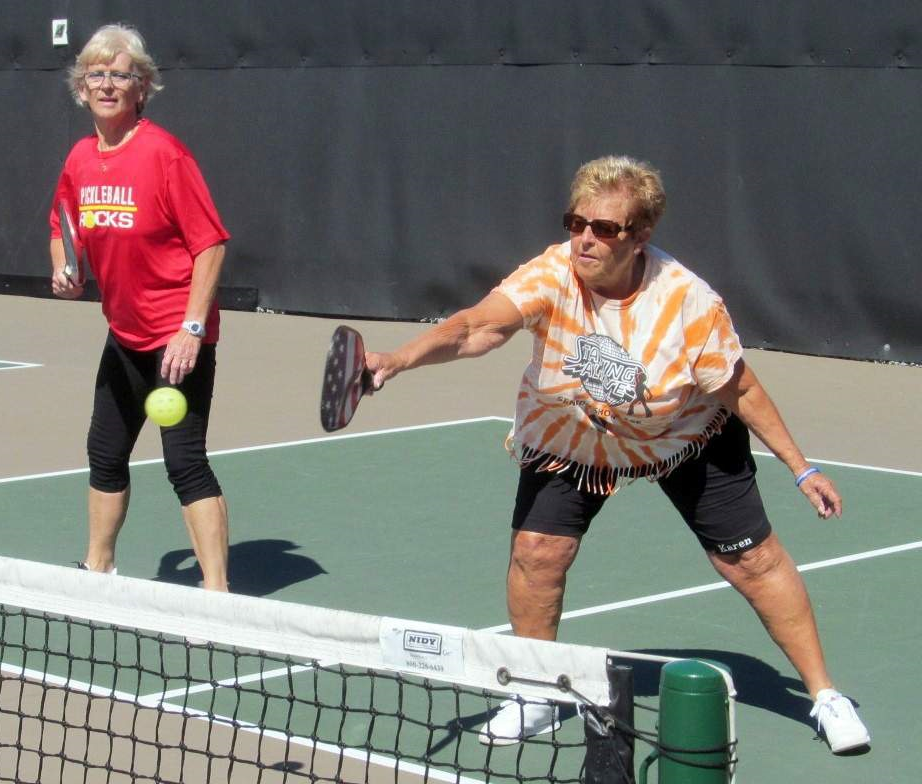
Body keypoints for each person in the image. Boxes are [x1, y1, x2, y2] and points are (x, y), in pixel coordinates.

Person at [364, 156, 870, 753]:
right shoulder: (551, 274)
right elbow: (478, 327)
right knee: (537, 553)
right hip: (573, 439)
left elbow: (742, 389)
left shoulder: (687, 301)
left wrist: (800, 466)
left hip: (686, 437)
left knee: (752, 564)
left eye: (605, 228)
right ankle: (535, 692)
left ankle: (824, 696)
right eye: (576, 222)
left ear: (640, 236)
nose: (585, 238)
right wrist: (396, 360)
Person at [49, 24, 231, 591]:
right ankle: (97, 569)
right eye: (97, 74)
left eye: (120, 75)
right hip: (123, 334)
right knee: (104, 451)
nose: (107, 84)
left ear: (141, 88)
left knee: (184, 462)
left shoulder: (165, 155)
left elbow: (211, 244)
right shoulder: (81, 158)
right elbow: (63, 225)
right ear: (82, 87)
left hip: (177, 338)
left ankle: (218, 595)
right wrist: (64, 265)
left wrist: (191, 329)